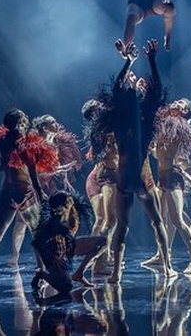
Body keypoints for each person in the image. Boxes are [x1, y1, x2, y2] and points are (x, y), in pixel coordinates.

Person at [107, 39, 177, 282]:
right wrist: (137, 62)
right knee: (133, 224)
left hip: (132, 176)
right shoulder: (127, 118)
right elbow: (121, 87)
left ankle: (166, 266)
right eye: (134, 83)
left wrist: (144, 62)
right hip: (135, 176)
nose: (137, 83)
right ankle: (118, 270)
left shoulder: (142, 119)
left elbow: (154, 90)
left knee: (151, 222)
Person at [0, 108, 59, 292]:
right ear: (21, 123)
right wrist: (40, 193)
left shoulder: (1, 142)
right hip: (24, 192)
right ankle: (43, 273)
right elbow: (32, 171)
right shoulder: (24, 143)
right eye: (24, 121)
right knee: (37, 236)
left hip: (8, 193)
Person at [143, 97, 191, 273]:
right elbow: (162, 154)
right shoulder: (166, 126)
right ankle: (162, 254)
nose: (176, 102)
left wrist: (182, 167)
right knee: (159, 220)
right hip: (161, 178)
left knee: (176, 220)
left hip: (174, 178)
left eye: (181, 103)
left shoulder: (184, 129)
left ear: (185, 111)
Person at [8, 114, 84, 267]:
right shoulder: (36, 143)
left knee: (48, 221)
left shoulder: (53, 143)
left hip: (47, 185)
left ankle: (51, 254)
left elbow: (51, 168)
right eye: (52, 122)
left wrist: (64, 170)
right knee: (22, 222)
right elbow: (35, 170)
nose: (57, 124)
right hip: (33, 185)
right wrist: (59, 170)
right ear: (44, 127)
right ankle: (15, 256)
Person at [30, 190, 108, 303]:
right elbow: (36, 243)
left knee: (102, 242)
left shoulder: (72, 210)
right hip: (55, 252)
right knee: (66, 287)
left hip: (69, 246)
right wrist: (53, 258)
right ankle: (41, 275)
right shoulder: (55, 221)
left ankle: (79, 273)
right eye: (67, 202)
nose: (70, 202)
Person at [81, 98, 120, 274]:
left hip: (106, 174)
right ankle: (97, 261)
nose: (103, 107)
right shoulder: (99, 133)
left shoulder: (107, 127)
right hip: (98, 178)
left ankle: (104, 255)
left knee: (108, 219)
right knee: (103, 219)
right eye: (99, 107)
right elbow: (106, 155)